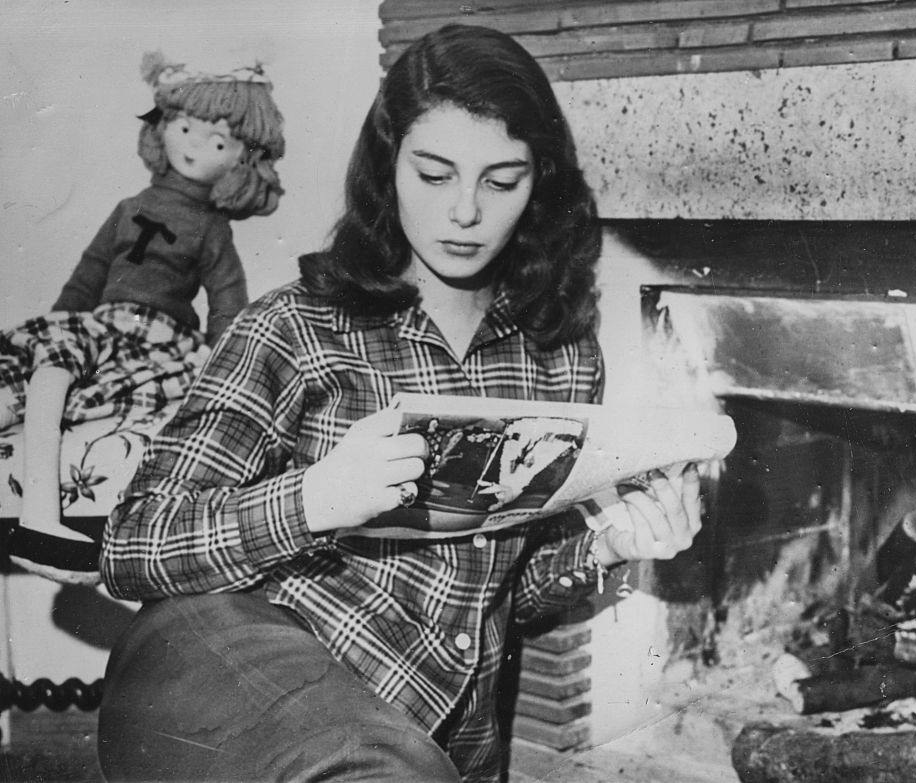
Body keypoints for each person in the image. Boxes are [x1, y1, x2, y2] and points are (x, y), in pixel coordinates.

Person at [97, 24, 701, 783]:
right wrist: (315, 496)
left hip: (448, 750)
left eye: (502, 180)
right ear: (388, 170)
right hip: (267, 718)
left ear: (539, 183)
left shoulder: (560, 356)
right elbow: (130, 547)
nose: (465, 213)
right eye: (435, 174)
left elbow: (504, 586)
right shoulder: (297, 325)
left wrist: (609, 542)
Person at [1, 51, 285, 583]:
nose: (197, 146)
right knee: (44, 370)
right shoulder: (130, 206)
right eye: (185, 127)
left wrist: (224, 366)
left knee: (74, 389)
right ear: (163, 126)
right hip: (99, 324)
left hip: (156, 339)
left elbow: (227, 301)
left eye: (219, 141)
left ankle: (41, 520)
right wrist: (63, 326)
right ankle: (38, 517)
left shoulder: (210, 229)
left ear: (242, 159)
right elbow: (87, 276)